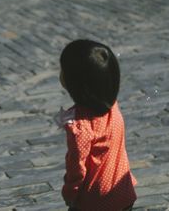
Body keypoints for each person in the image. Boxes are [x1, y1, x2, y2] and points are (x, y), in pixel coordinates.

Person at [55, 39, 137, 211]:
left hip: (96, 201)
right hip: (123, 191)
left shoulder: (80, 127)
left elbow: (76, 169)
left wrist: (69, 193)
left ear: (75, 83)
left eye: (63, 70)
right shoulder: (112, 107)